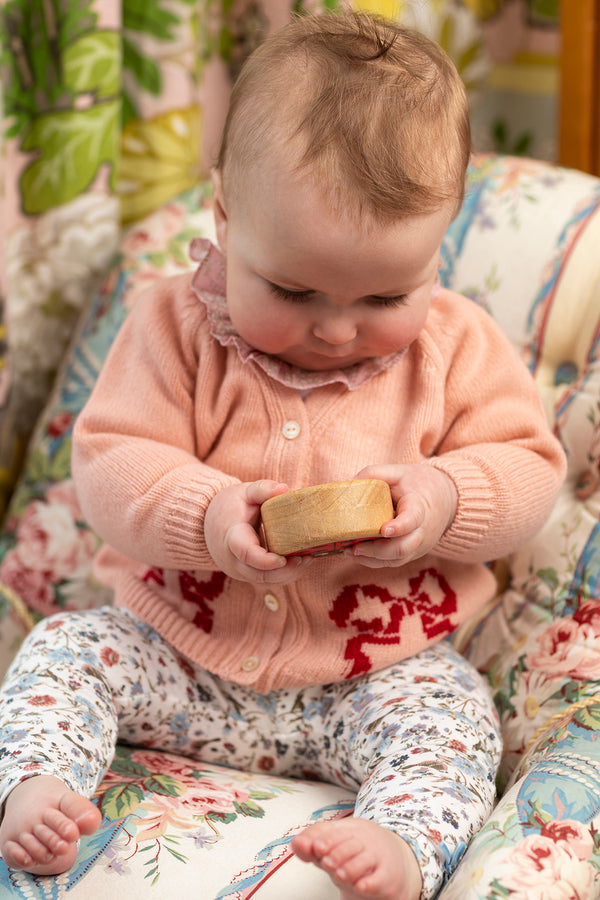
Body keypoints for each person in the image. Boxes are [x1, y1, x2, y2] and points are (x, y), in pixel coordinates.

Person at [0, 13, 565, 900]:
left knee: (456, 724)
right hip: (182, 660)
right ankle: (40, 786)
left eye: (386, 294)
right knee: (64, 651)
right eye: (292, 290)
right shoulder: (171, 326)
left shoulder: (457, 348)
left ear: (439, 248)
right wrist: (206, 515)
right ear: (225, 215)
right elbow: (113, 461)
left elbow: (530, 468)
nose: (337, 328)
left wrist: (444, 499)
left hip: (372, 679)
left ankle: (401, 843)